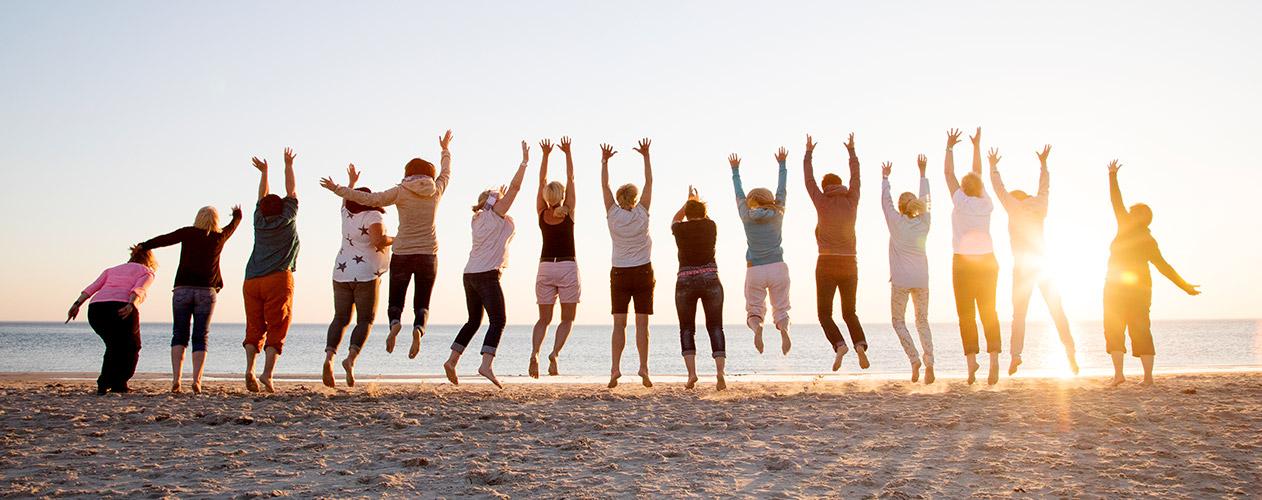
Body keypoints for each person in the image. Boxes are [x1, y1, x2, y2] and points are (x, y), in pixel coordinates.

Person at [328, 130, 453, 361]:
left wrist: (340, 190)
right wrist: (445, 149)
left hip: (403, 252)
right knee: (422, 302)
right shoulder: (437, 190)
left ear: (408, 173)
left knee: (396, 300)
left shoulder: (400, 192)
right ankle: (418, 330)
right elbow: (446, 171)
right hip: (428, 254)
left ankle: (395, 324)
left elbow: (370, 199)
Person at [441, 141, 530, 389]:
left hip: (469, 274)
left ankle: (452, 360)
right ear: (493, 203)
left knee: (473, 321)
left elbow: (496, 202)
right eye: (499, 200)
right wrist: (524, 162)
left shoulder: (477, 218)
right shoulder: (493, 215)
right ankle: (486, 365)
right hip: (486, 275)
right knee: (498, 320)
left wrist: (494, 197)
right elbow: (515, 188)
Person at [1104, 160, 1199, 387]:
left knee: (1115, 329)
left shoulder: (1125, 226)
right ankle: (1146, 379)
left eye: (1130, 211)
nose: (1126, 211)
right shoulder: (1149, 240)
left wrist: (1113, 175)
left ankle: (1120, 375)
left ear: (1137, 216)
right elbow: (1164, 267)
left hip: (1116, 288)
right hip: (1139, 290)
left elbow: (1116, 200)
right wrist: (1184, 286)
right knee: (1140, 330)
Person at [989, 145, 1078, 376]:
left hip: (1023, 267)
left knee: (1019, 313)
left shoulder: (1013, 207)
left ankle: (1016, 355)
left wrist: (993, 166)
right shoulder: (1040, 205)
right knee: (1056, 309)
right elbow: (1045, 186)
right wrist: (1044, 164)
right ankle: (1070, 351)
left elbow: (1000, 190)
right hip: (1044, 264)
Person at [137, 204, 242, 394]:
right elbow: (233, 225)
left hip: (182, 290)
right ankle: (197, 381)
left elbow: (165, 239)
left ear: (198, 218)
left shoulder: (188, 233)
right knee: (201, 336)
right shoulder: (219, 237)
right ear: (215, 221)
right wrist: (237, 214)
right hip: (206, 292)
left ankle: (176, 379)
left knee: (179, 334)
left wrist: (145, 245)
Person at [317, 165, 392, 388]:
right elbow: (378, 241)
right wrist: (398, 239)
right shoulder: (373, 215)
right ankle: (350, 360)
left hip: (341, 272)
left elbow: (344, 198)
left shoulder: (346, 213)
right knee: (365, 320)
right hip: (366, 275)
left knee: (340, 318)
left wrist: (349, 182)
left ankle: (329, 358)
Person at [803, 133, 867, 371]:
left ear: (824, 187)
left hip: (827, 262)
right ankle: (859, 345)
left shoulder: (822, 200)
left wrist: (808, 153)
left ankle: (840, 345)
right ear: (840, 184)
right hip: (850, 263)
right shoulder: (852, 199)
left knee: (824, 314)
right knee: (850, 312)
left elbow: (808, 180)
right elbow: (857, 178)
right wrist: (852, 152)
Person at [945, 127, 1002, 385]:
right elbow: (977, 174)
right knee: (988, 311)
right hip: (988, 261)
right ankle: (994, 359)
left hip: (963, 263)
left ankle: (971, 364)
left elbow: (948, 174)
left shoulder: (960, 201)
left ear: (963, 188)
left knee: (966, 313)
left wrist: (949, 147)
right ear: (980, 188)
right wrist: (977, 146)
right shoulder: (986, 203)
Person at [242, 147, 300, 393]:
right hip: (278, 277)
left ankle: (249, 369)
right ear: (283, 207)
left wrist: (264, 173)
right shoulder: (287, 218)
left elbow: (261, 195)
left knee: (254, 325)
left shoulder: (258, 220)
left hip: (252, 279)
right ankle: (267, 374)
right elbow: (292, 191)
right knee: (278, 325)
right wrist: (288, 165)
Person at [66, 246, 157, 395]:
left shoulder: (112, 270)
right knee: (133, 346)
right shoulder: (147, 272)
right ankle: (116, 382)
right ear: (149, 259)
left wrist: (76, 304)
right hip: (121, 306)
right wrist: (131, 304)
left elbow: (93, 287)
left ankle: (108, 383)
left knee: (114, 345)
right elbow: (139, 289)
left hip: (96, 309)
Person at [601, 138, 655, 389]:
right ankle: (643, 368)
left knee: (619, 324)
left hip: (620, 273)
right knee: (641, 325)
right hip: (643, 272)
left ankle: (615, 369)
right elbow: (650, 182)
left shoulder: (612, 214)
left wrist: (604, 161)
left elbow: (604, 186)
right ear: (634, 198)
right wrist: (645, 156)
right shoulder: (642, 212)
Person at [729, 148, 792, 356]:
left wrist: (735, 171)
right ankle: (783, 329)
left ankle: (758, 328)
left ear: (750, 202)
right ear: (770, 200)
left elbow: (738, 195)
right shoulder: (778, 213)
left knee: (754, 310)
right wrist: (782, 165)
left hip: (755, 269)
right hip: (777, 267)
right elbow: (782, 191)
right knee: (781, 309)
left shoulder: (746, 215)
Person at [881, 156, 935, 384]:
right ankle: (930, 363)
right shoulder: (925, 221)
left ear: (901, 208)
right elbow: (927, 199)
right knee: (922, 321)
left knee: (898, 321)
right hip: (921, 279)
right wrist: (922, 174)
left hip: (902, 281)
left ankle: (914, 359)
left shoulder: (896, 222)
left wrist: (885, 178)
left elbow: (886, 203)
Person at [530, 136, 579, 378]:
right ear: (561, 195)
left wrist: (545, 155)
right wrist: (567, 153)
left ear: (547, 196)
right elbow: (571, 179)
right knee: (567, 319)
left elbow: (540, 181)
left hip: (545, 267)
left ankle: (535, 353)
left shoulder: (542, 214)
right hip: (568, 266)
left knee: (543, 320)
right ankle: (554, 354)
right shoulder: (568, 213)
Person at [671, 186, 727, 390]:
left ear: (687, 213)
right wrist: (694, 201)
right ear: (703, 214)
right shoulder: (711, 226)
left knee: (686, 328)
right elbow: (706, 217)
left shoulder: (680, 229)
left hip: (685, 280)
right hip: (710, 277)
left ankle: (692, 374)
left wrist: (686, 202)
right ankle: (720, 373)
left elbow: (675, 219)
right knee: (715, 327)